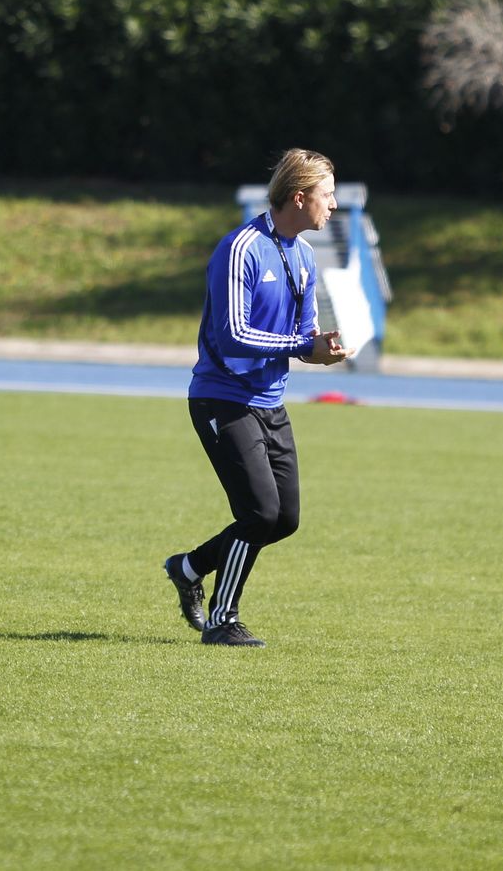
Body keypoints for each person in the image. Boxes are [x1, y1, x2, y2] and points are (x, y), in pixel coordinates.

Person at [163, 148, 354, 648]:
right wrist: (300, 346)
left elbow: (303, 336)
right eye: (327, 195)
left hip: (269, 402)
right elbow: (231, 335)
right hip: (221, 399)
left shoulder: (305, 255)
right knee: (260, 515)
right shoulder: (240, 249)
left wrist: (323, 350)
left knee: (283, 519)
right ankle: (223, 620)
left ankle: (188, 568)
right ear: (299, 196)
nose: (333, 205)